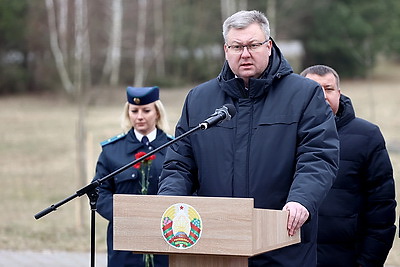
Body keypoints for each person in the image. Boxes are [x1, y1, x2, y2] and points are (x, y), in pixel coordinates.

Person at [157, 10, 340, 266]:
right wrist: (169, 202)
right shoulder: (199, 99)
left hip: (282, 242)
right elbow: (179, 164)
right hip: (214, 245)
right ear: (225, 49)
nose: (245, 53)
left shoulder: (304, 95)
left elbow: (318, 157)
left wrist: (301, 200)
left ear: (269, 46)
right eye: (236, 46)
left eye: (253, 45)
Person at [300, 65, 397, 267]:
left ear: (339, 93)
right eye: (315, 90)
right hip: (292, 258)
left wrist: (368, 262)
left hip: (345, 258)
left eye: (329, 89)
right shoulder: (282, 135)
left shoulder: (367, 136)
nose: (323, 96)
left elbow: (381, 208)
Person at [92, 86, 171, 267]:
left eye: (146, 110)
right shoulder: (112, 151)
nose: (140, 116)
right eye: (134, 111)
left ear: (157, 113)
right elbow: (100, 192)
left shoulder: (173, 148)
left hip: (164, 237)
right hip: (125, 241)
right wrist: (125, 216)